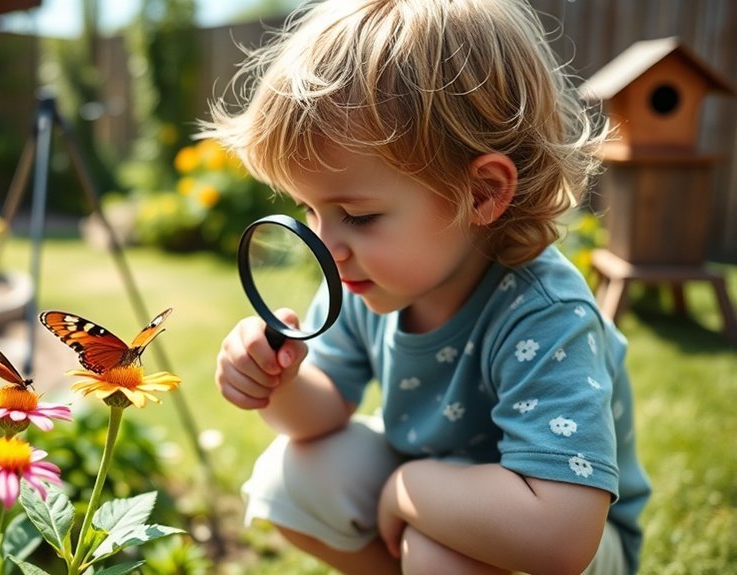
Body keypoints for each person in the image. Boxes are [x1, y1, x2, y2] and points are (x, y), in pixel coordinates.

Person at [201, 0, 651, 573]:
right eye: (311, 211)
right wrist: (281, 381)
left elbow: (560, 536)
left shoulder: (545, 314)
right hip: (451, 507)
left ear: (483, 194)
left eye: (358, 216)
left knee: (437, 547)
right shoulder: (369, 281)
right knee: (290, 479)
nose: (326, 246)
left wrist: (407, 488)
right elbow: (321, 414)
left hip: (568, 534)